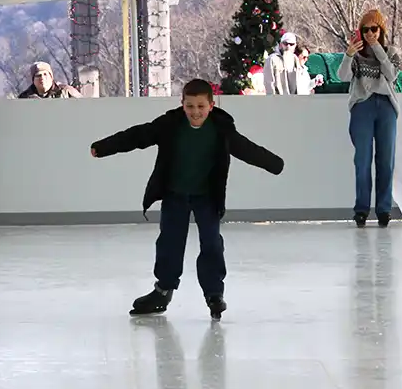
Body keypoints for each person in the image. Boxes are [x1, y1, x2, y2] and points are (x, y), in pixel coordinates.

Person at [89, 78, 284, 320]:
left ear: (211, 105)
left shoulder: (221, 129)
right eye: (190, 106)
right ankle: (163, 291)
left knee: (212, 244)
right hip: (175, 195)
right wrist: (104, 147)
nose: (195, 112)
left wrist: (274, 164)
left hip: (207, 197)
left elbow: (247, 149)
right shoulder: (170, 124)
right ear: (182, 104)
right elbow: (138, 135)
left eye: (201, 106)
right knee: (169, 243)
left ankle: (214, 294)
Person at [338, 8, 400, 228]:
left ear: (381, 29)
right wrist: (348, 55)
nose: (369, 33)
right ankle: (361, 209)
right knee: (362, 160)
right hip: (362, 105)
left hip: (386, 106)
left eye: (374, 29)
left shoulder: (391, 51)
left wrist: (377, 48)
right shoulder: (356, 53)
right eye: (365, 30)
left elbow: (392, 75)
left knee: (386, 160)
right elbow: (342, 76)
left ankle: (384, 209)